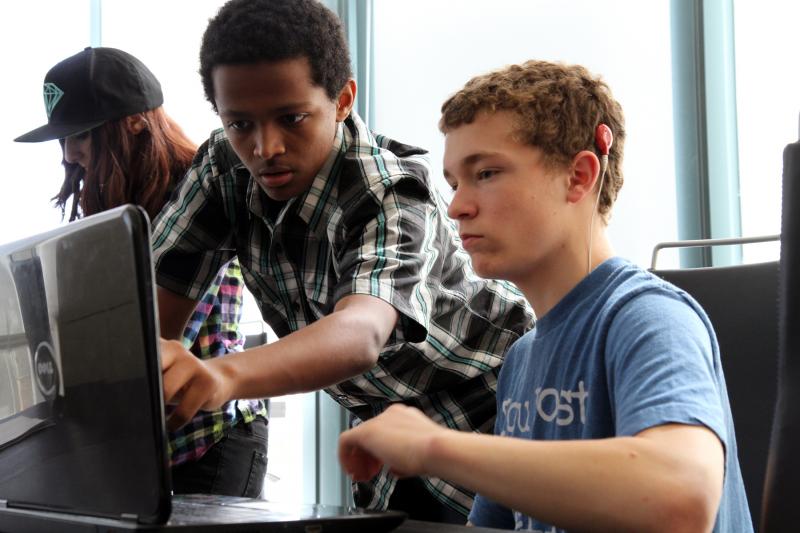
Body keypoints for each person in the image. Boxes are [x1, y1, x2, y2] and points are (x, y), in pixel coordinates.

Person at [150, 0, 533, 522]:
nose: (265, 148)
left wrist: (225, 376)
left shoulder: (390, 192)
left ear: (343, 99)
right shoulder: (223, 169)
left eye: (291, 118)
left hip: (500, 415)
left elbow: (360, 333)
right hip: (389, 431)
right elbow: (155, 311)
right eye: (240, 123)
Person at [337, 60, 753, 532]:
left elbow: (682, 499)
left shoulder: (651, 318)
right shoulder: (521, 359)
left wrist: (434, 447)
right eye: (454, 183)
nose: (456, 206)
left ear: (579, 176)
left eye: (487, 173)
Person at [14, 47, 269, 499]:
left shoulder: (197, 194)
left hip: (210, 440)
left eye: (84, 135)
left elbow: (157, 337)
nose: (70, 154)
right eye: (65, 138)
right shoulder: (114, 210)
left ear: (135, 122)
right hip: (146, 443)